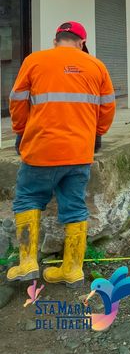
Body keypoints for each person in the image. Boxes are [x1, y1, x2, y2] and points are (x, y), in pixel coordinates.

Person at [8, 21, 116, 287]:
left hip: (40, 149)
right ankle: (72, 270)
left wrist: (20, 131)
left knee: (28, 199)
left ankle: (27, 263)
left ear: (56, 40)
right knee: (75, 206)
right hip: (79, 152)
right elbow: (107, 107)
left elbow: (17, 101)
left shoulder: (34, 61)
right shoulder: (96, 66)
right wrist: (97, 134)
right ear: (82, 43)